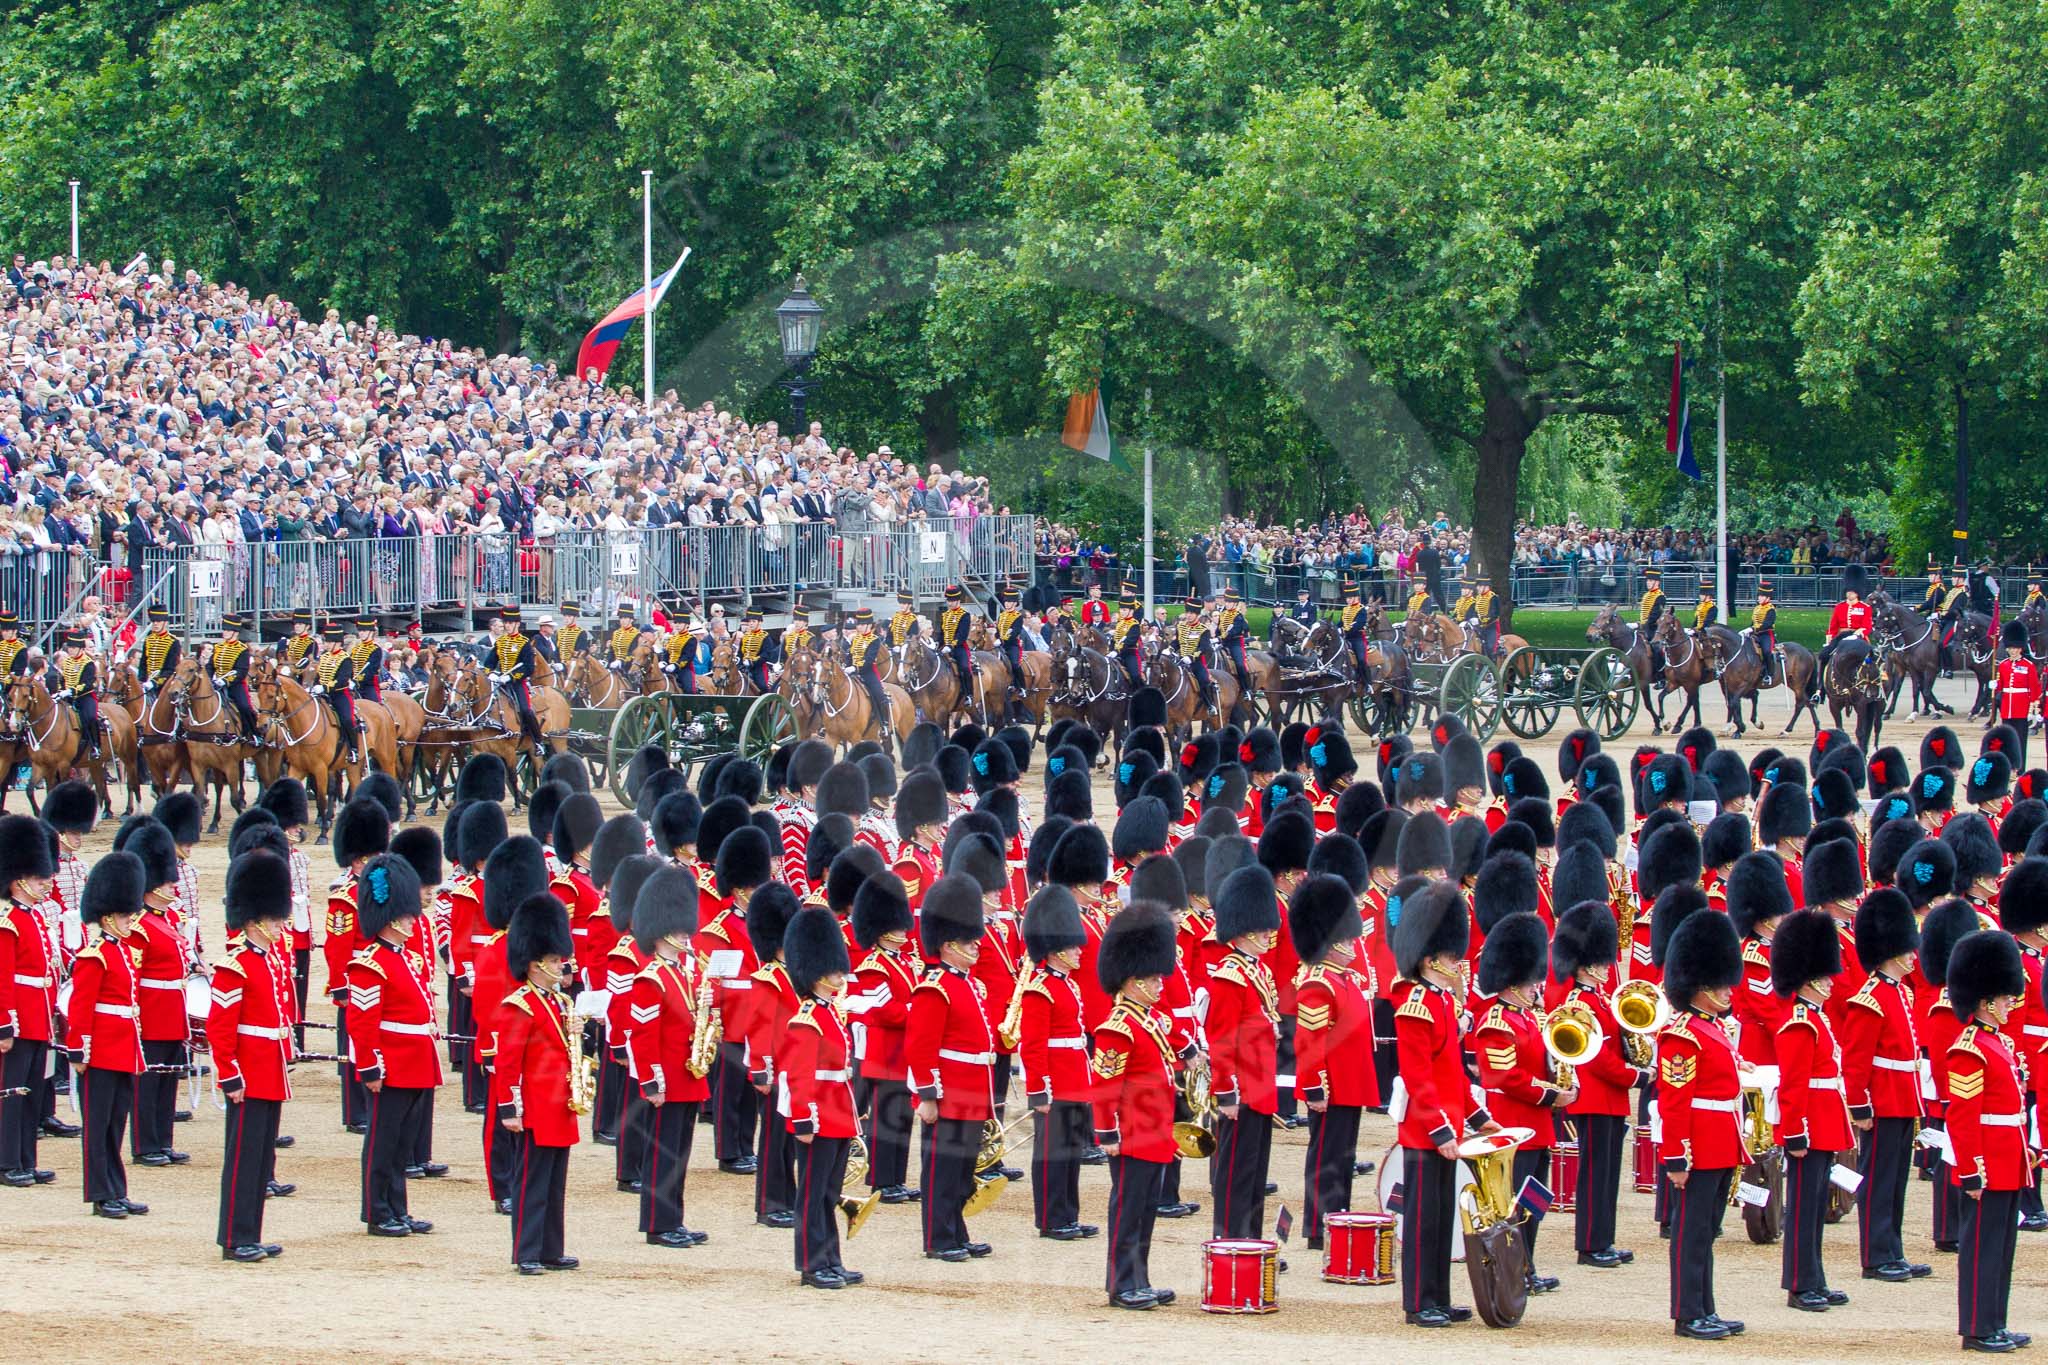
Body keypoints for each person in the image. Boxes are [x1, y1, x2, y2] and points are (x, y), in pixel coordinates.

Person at [1391, 877, 1490, 1326]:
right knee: (1421, 1220)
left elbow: (1451, 1071)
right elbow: (1418, 1076)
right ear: (1431, 959)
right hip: (1425, 1128)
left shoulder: (1442, 1002)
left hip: (1448, 1122)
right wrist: (1441, 1129)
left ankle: (1439, 1296)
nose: (1458, 961)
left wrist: (1478, 1116)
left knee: (1441, 1218)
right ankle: (1418, 1302)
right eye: (1451, 956)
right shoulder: (1415, 1003)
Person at [1657, 909, 1748, 1341]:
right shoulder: (1682, 1035)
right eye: (1718, 984)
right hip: (1698, 1147)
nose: (1728, 991)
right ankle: (1687, 1312)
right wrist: (1675, 1155)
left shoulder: (1713, 1028)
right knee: (1691, 1234)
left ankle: (1706, 1306)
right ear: (1697, 987)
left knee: (1706, 1232)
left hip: (1721, 1143)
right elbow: (1674, 1102)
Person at [1835, 887, 1930, 1285]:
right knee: (1878, 1179)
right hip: (1883, 1100)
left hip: (1903, 1095)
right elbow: (1857, 1062)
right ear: (1891, 951)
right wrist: (1859, 1107)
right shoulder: (1869, 998)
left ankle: (1893, 1249)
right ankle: (1875, 1255)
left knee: (1896, 1180)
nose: (1914, 956)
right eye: (1907, 950)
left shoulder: (1899, 993)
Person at [345, 851, 441, 1238]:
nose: (412, 919)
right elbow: (362, 1022)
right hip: (392, 1064)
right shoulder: (370, 964)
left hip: (416, 1061)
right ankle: (376, 1210)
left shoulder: (408, 959)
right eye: (405, 914)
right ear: (389, 917)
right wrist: (370, 1065)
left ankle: (398, 1207)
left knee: (402, 1144)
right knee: (383, 1142)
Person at [1945, 928, 2033, 1352]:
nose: (2009, 1003)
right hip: (1986, 1164)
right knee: (1981, 1249)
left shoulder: (2000, 1042)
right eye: (2003, 997)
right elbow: (1963, 1119)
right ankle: (1978, 1328)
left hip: (2008, 1158)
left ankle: (1995, 1320)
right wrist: (1971, 1171)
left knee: (2002, 1248)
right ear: (1983, 1002)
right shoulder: (1970, 1049)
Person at [1090, 902, 1181, 1310]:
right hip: (1131, 1132)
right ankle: (1121, 1283)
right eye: (1152, 979)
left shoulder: (1149, 1020)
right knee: (1128, 1211)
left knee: (1145, 1212)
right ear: (1131, 981)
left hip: (1155, 1130)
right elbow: (1105, 1087)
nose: (1160, 985)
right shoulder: (1116, 1028)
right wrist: (1106, 1132)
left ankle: (1139, 1276)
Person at [1473, 911, 1568, 1294]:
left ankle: (1526, 1267)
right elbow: (1505, 1077)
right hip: (1514, 1125)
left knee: (1532, 1204)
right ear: (1512, 983)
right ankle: (1511, 1271)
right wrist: (1551, 1093)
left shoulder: (1530, 1019)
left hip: (1537, 1124)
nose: (1536, 987)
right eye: (1531, 982)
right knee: (1512, 1208)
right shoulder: (1496, 1022)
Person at [207, 849, 296, 1261]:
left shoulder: (271, 962)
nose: (282, 925)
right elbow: (220, 1028)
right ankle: (234, 1237)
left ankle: (251, 1233)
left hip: (270, 1070)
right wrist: (229, 1075)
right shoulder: (235, 966)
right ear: (257, 919)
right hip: (248, 1074)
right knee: (243, 1162)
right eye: (276, 918)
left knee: (260, 1162)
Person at [905, 874, 997, 1263]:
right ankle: (938, 1238)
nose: (976, 945)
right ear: (947, 945)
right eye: (967, 941)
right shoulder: (934, 987)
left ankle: (957, 1231)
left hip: (973, 1088)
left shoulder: (969, 985)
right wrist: (927, 1095)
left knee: (962, 1170)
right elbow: (919, 1048)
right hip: (948, 1092)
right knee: (942, 1170)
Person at [1549, 898, 1645, 1269]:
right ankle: (1590, 1243)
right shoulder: (1581, 1002)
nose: (1608, 967)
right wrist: (1636, 1075)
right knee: (1594, 1176)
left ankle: (1603, 1238)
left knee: (1607, 1176)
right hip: (1594, 1096)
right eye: (1602, 961)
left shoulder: (1600, 999)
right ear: (1587, 964)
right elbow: (1597, 1058)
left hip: (1610, 1098)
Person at [1771, 910, 1853, 1312]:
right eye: (1823, 977)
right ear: (1807, 979)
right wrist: (1795, 1131)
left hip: (1824, 1120)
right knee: (1803, 1209)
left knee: (1816, 1205)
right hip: (1808, 1125)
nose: (1830, 982)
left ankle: (1814, 1277)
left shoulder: (1816, 1018)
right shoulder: (1799, 1022)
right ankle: (1800, 1284)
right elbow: (1794, 1084)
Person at [624, 862, 710, 1249]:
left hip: (688, 1075)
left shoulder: (685, 974)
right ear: (660, 932)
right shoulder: (649, 979)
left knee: (679, 1153)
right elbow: (643, 1036)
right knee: (663, 1154)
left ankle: (674, 1218)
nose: (684, 934)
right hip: (667, 1080)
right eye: (677, 929)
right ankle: (659, 1224)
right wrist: (651, 1081)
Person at [1289, 874, 1375, 1252]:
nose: (1352, 944)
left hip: (1350, 1082)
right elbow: (1309, 1043)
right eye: (1344, 938)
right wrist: (1314, 1087)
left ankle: (1336, 1218)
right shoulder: (1318, 983)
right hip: (1331, 1085)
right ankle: (1318, 1226)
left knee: (1343, 1157)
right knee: (1326, 1157)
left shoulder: (1344, 979)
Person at [496, 891, 580, 1275]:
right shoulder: (520, 1004)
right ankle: (526, 1251)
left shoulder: (558, 1002)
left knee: (554, 1184)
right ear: (533, 965)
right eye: (552, 961)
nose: (559, 966)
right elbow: (508, 1062)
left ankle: (550, 1248)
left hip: (560, 1103)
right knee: (531, 1182)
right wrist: (509, 1108)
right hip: (533, 1105)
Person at [63, 850, 150, 1219]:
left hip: (123, 1048)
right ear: (107, 917)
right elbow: (80, 1010)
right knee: (97, 1127)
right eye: (124, 915)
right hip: (99, 1051)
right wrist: (79, 1052)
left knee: (116, 1123)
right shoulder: (92, 956)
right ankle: (101, 1193)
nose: (130, 920)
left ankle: (117, 1188)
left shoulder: (124, 953)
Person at [782, 905, 862, 1289]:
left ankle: (831, 1257)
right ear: (815, 975)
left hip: (837, 1114)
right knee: (812, 1196)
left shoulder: (832, 1014)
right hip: (818, 1117)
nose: (840, 977)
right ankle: (812, 1264)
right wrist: (805, 1120)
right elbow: (800, 1077)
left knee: (829, 1193)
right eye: (834, 971)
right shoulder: (807, 1019)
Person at [1206, 863, 1282, 1240]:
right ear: (1243, 930)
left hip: (1261, 1085)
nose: (1269, 935)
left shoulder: (1258, 971)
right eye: (1262, 929)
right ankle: (1231, 1239)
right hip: (1242, 1089)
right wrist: (1226, 1091)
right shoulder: (1229, 976)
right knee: (1236, 1172)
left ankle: (1250, 1238)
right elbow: (1221, 1039)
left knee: (1254, 1172)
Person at [1017, 885, 1094, 1241]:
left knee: (1071, 1153)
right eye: (1073, 946)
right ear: (1057, 949)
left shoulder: (1069, 985)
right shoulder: (1039, 988)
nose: (1080, 951)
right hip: (1055, 1084)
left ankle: (1068, 1214)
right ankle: (1050, 1217)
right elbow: (1032, 1047)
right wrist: (1039, 1091)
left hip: (1075, 1078)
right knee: (1051, 1153)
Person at [0, 813, 59, 1188]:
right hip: (19, 1017)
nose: (46, 882)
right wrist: (4, 1023)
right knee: (11, 1093)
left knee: (32, 1093)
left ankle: (26, 1158)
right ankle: (7, 1162)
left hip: (39, 1015)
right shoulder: (8, 921)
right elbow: (3, 977)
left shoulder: (35, 917)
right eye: (40, 878)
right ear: (20, 879)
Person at [490, 604, 546, 760]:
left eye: (510, 623)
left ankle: (538, 740)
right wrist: (492, 673)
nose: (507, 626)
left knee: (526, 709)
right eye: (505, 623)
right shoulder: (500, 642)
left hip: (517, 683)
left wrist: (512, 676)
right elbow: (489, 662)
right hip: (500, 683)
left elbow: (528, 668)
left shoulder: (524, 643)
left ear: (517, 624)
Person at [312, 621, 362, 764]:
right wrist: (314, 687)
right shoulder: (324, 657)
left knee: (347, 719)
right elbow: (319, 675)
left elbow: (342, 681)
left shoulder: (345, 658)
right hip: (323, 695)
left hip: (340, 695)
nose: (326, 644)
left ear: (337, 642)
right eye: (325, 641)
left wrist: (325, 687)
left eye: (328, 641)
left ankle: (354, 749)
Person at [1995, 621, 2039, 771]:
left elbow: (2034, 688)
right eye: (2010, 648)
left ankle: (2020, 768)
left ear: (2021, 648)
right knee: (2007, 740)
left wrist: (2033, 709)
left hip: (2022, 709)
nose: (2013, 651)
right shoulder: (2003, 665)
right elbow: (2001, 686)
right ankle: (2008, 766)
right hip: (2007, 708)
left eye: (2015, 648)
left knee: (2020, 741)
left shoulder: (2028, 666)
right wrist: (1994, 686)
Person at [53, 627, 102, 757]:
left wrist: (70, 691)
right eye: (69, 647)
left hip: (84, 697)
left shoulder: (88, 663)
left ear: (81, 648)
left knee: (90, 717)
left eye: (74, 648)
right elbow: (62, 679)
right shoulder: (67, 662)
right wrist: (60, 691)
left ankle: (95, 745)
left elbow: (87, 684)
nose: (71, 650)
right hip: (68, 697)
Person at [846, 609, 891, 743]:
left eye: (861, 624)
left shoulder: (874, 640)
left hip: (868, 672)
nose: (858, 626)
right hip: (852, 672)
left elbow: (869, 659)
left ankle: (884, 724)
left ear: (868, 625)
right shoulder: (855, 639)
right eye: (858, 624)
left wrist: (855, 667)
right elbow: (850, 656)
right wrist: (846, 666)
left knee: (879, 695)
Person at [212, 615, 256, 743]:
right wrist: (210, 680)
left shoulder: (242, 650)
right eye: (224, 629)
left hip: (235, 685)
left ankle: (252, 734)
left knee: (244, 707)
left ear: (235, 632)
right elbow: (210, 666)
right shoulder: (218, 647)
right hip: (217, 684)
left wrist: (226, 681)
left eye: (228, 630)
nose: (225, 632)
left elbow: (241, 671)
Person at [1815, 586, 1872, 681]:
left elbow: (1867, 626)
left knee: (1870, 657)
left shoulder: (1865, 608)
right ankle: (1821, 687)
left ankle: (1872, 678)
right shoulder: (1839, 607)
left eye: (1852, 592)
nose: (1849, 594)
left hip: (1857, 636)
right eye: (1848, 591)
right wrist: (1829, 640)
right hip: (1841, 636)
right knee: (1825, 656)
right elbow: (1833, 626)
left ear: (1857, 594)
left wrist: (1857, 634)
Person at [1175, 598, 1216, 715]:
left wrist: (1191, 657)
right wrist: (1170, 649)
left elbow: (1203, 648)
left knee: (1203, 680)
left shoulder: (1203, 630)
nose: (1188, 615)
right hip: (1180, 660)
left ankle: (1209, 705)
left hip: (1196, 662)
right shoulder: (1180, 626)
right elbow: (1177, 642)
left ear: (1197, 614)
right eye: (1187, 612)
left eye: (1191, 613)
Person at [939, 586, 975, 695]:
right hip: (944, 647)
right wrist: (938, 643)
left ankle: (968, 693)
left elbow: (962, 635)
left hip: (959, 648)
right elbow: (942, 632)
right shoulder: (945, 615)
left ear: (958, 600)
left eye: (952, 601)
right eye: (948, 600)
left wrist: (951, 645)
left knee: (964, 667)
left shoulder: (964, 615)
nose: (950, 603)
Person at [1216, 588, 1251, 694]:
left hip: (1235, 643)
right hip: (1223, 643)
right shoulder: (1222, 614)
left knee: (1240, 664)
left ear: (1235, 604)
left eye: (1229, 602)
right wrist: (1217, 637)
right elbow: (1219, 629)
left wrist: (1221, 637)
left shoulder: (1238, 616)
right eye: (1226, 601)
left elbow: (1235, 631)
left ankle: (1246, 689)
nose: (1227, 604)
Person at [139, 604, 181, 692]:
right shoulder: (148, 640)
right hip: (147, 682)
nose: (155, 624)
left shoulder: (173, 642)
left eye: (158, 621)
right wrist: (141, 680)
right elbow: (143, 663)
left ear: (165, 622)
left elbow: (170, 668)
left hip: (165, 684)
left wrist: (154, 683)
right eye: (153, 621)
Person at [1110, 589, 1144, 695]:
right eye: (1121, 610)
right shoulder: (1119, 624)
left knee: (1135, 675)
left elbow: (1129, 641)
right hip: (1116, 654)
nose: (1122, 612)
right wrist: (1110, 650)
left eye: (1125, 610)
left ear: (1131, 611)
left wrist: (1117, 651)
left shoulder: (1134, 625)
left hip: (1129, 654)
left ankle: (1138, 695)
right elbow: (1115, 639)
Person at [738, 609, 776, 694]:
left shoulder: (765, 636)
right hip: (744, 667)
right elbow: (740, 653)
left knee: (762, 686)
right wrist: (739, 662)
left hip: (758, 668)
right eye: (750, 621)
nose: (751, 623)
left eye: (753, 621)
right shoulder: (745, 636)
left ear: (760, 622)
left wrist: (752, 662)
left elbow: (767, 654)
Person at [1640, 567, 1668, 675]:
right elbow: (1644, 613)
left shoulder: (1660, 597)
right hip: (1644, 625)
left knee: (1656, 648)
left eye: (1650, 580)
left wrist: (1645, 624)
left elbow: (1655, 615)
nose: (1648, 583)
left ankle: (1661, 674)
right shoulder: (1646, 595)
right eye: (1647, 580)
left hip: (1654, 628)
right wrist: (1639, 623)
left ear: (1657, 582)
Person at [1751, 579, 1779, 689]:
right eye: (1759, 596)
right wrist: (1749, 629)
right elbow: (1753, 622)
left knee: (1767, 652)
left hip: (1766, 635)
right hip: (1755, 634)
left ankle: (1769, 674)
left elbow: (1767, 624)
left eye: (1762, 596)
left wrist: (1754, 629)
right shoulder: (1757, 608)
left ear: (1768, 597)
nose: (1759, 598)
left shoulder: (1771, 609)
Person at [350, 617, 385, 703]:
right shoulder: (356, 649)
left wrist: (357, 681)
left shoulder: (375, 649)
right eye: (360, 631)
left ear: (371, 632)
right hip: (352, 684)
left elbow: (371, 670)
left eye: (364, 631)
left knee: (375, 707)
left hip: (368, 685)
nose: (361, 633)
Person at [608, 604, 642, 673]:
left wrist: (621, 662)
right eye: (621, 618)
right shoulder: (616, 633)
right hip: (614, 665)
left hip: (628, 666)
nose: (623, 620)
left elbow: (632, 653)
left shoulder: (636, 634)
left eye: (625, 618)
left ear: (631, 620)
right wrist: (608, 662)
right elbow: (612, 651)